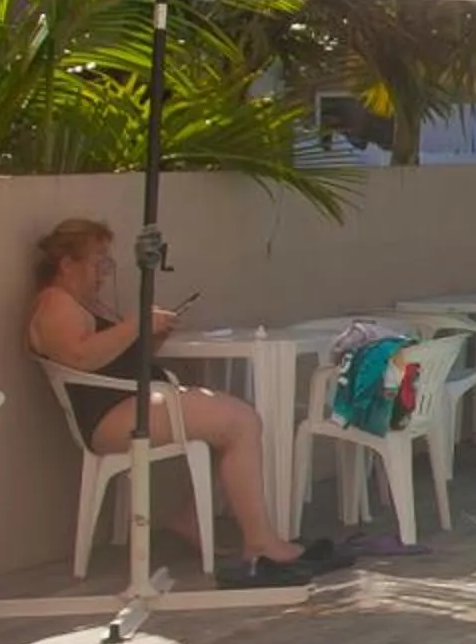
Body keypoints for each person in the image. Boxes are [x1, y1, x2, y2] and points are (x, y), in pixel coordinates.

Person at [23, 219, 336, 584]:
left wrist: (150, 335)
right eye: (99, 262)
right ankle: (261, 542)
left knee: (235, 420)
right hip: (111, 416)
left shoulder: (86, 303)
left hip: (133, 403)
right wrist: (137, 324)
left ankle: (194, 519)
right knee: (240, 421)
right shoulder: (55, 303)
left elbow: (117, 354)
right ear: (67, 264)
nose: (104, 273)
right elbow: (78, 356)